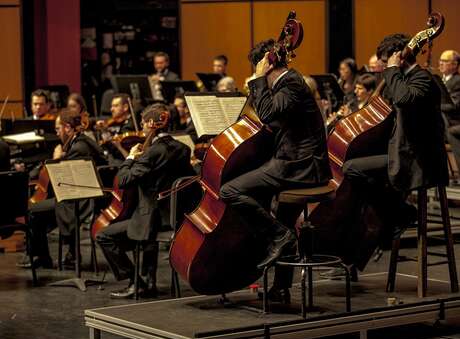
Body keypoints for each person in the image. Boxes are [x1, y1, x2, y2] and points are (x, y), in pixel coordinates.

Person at [323, 33, 448, 279]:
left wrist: (392, 69)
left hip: (419, 160)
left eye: (385, 61)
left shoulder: (423, 79)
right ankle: (353, 255)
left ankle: (401, 213)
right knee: (363, 186)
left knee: (354, 169)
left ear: (398, 57)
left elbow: (403, 98)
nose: (382, 70)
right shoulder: (402, 80)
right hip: (401, 152)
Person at [219, 39, 331, 299]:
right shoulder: (288, 84)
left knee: (230, 190)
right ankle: (280, 288)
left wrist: (258, 78)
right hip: (295, 162)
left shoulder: (290, 82)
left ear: (267, 64)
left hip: (300, 166)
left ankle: (279, 237)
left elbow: (268, 113)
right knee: (283, 214)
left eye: (258, 68)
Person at [96, 103, 196, 299]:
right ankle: (147, 281)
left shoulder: (152, 152)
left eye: (143, 123)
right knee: (143, 222)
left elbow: (124, 180)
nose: (141, 127)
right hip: (174, 216)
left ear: (152, 123)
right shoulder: (183, 148)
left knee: (104, 236)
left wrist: (131, 157)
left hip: (151, 219)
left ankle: (136, 281)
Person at [18, 109, 106, 268]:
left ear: (67, 127)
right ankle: (67, 253)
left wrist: (56, 159)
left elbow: (64, 176)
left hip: (83, 197)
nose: (57, 133)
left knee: (32, 210)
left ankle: (42, 256)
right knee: (44, 208)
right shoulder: (82, 141)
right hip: (83, 193)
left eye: (58, 129)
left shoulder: (79, 147)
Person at [438, 50, 460, 172]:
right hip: (444, 122)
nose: (441, 63)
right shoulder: (442, 79)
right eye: (440, 60)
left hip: (454, 122)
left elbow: (455, 106)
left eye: (445, 61)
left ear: (455, 65)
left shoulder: (458, 81)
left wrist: (435, 106)